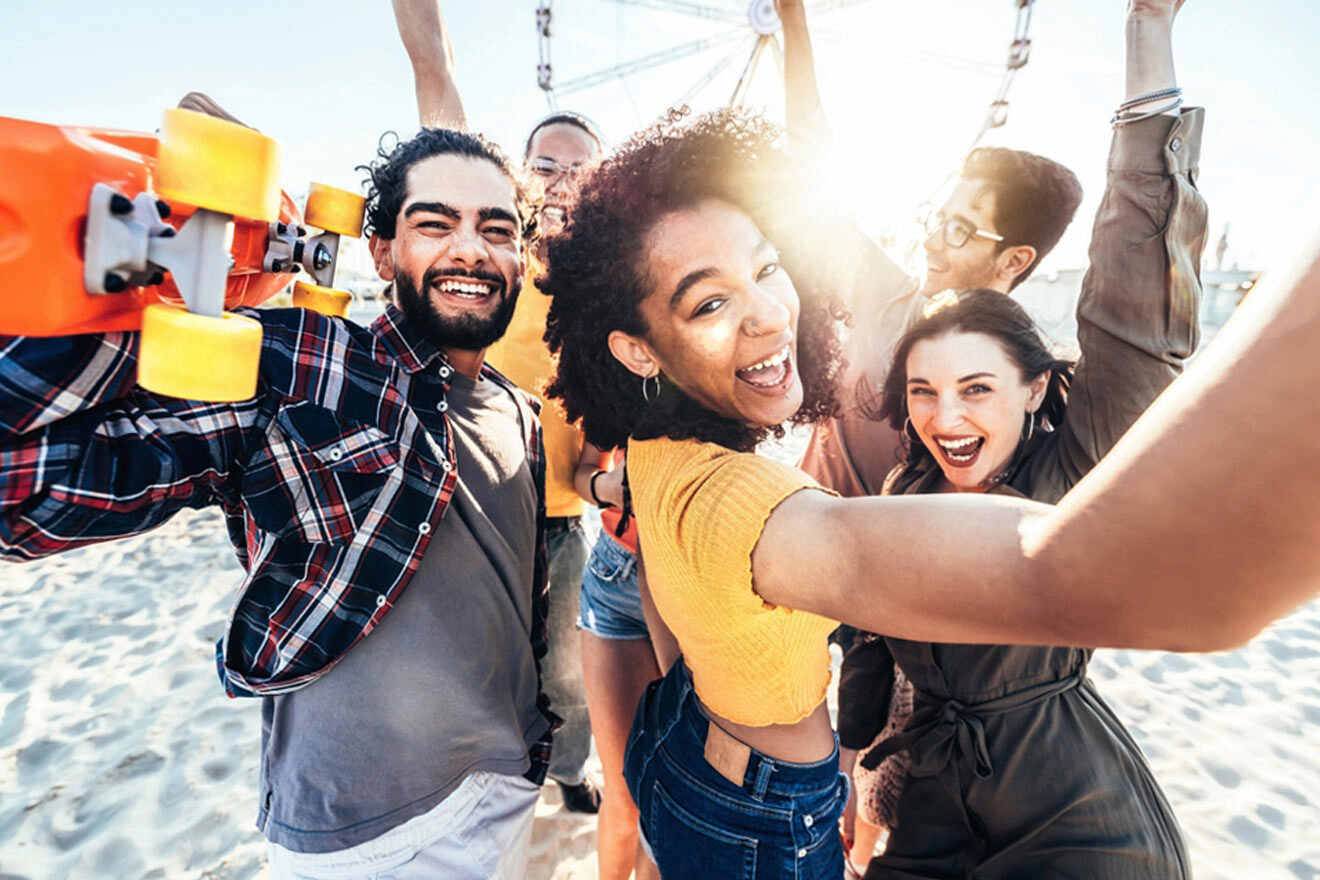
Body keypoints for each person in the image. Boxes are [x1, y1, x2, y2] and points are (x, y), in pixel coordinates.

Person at [536, 63, 1318, 880]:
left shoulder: (662, 445)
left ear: (1034, 387)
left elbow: (666, 590)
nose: (769, 311)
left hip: (692, 747)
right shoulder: (774, 513)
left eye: (768, 269)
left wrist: (719, 701)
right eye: (707, 303)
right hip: (766, 812)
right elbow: (1129, 580)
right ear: (634, 346)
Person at [1, 124, 556, 880]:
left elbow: (519, 601)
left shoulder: (519, 411)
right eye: (436, 223)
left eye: (498, 230)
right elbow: (19, 485)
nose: (472, 250)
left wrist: (529, 744)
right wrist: (160, 271)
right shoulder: (303, 360)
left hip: (511, 781)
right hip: (368, 835)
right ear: (383, 252)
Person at [392, 0, 606, 814]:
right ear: (518, 177)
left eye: (581, 168)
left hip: (559, 517)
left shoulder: (603, 295)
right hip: (463, 504)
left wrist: (612, 489)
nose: (562, 179)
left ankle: (567, 768)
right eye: (547, 164)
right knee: (463, 659)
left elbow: (595, 454)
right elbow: (434, 76)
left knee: (569, 668)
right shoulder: (483, 251)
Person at [572, 442, 663, 879]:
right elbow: (584, 471)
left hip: (702, 585)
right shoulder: (623, 375)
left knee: (667, 798)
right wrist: (609, 485)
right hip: (618, 576)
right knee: (625, 796)